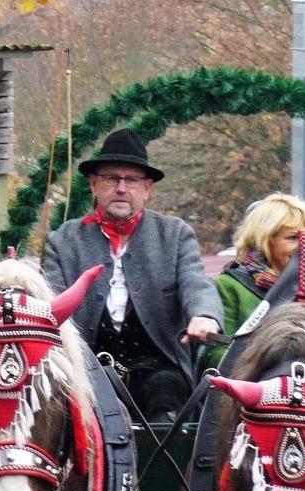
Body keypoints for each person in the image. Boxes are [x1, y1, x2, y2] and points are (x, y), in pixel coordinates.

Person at [44, 128, 221, 421]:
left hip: (159, 367)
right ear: (94, 185)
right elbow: (50, 300)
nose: (122, 188)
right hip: (84, 368)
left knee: (169, 394)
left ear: (147, 188)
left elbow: (195, 282)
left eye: (132, 180)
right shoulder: (64, 240)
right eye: (112, 179)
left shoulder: (175, 235)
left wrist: (204, 315)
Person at [211, 193, 305, 356]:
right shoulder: (231, 285)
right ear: (265, 240)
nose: (304, 246)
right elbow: (217, 354)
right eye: (293, 238)